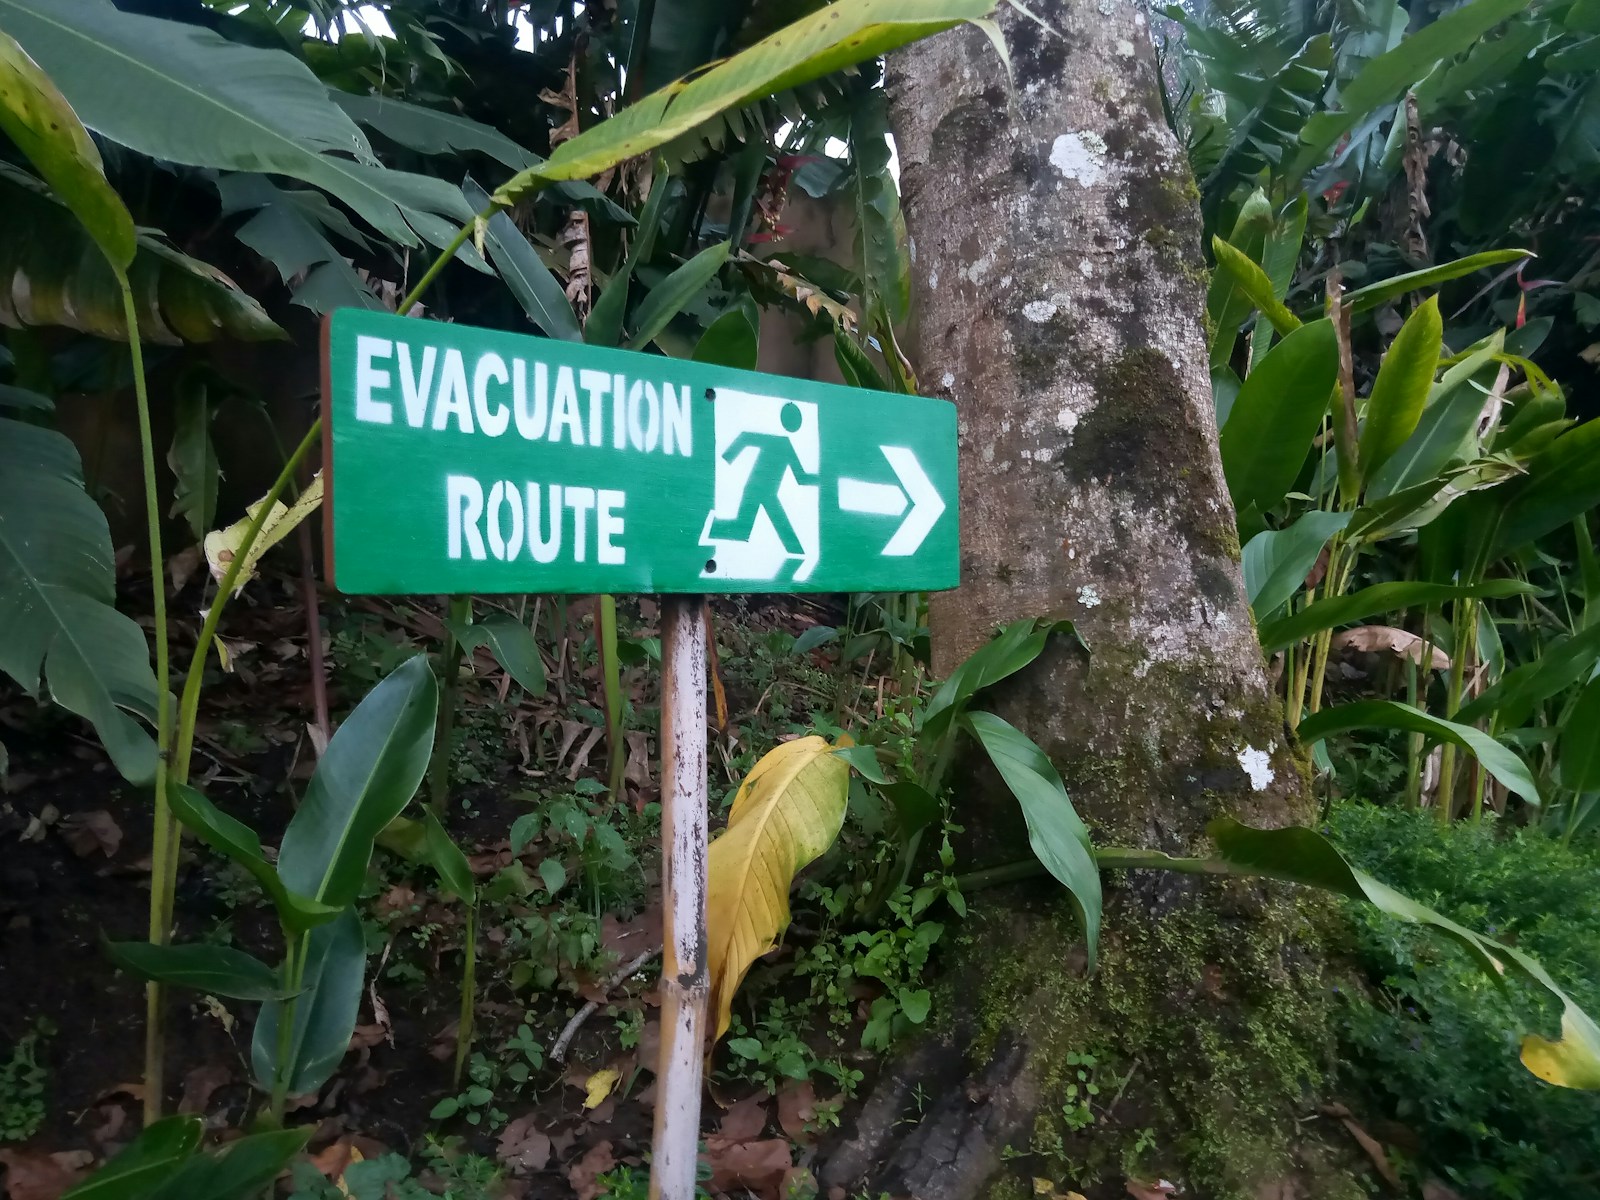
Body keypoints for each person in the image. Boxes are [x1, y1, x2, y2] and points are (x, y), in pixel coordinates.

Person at [708, 402, 816, 556]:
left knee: (741, 529)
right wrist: (728, 456)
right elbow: (746, 437)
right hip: (757, 490)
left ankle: (712, 527)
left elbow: (801, 477)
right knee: (745, 529)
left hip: (764, 493)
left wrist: (822, 480)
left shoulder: (786, 445)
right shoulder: (781, 442)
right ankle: (711, 527)